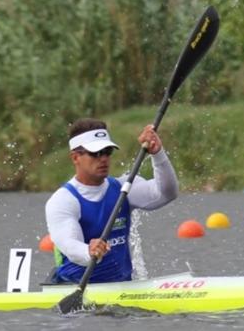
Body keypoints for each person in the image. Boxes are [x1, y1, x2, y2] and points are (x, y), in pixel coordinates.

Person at [45, 118, 178, 283]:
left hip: (123, 288)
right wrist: (88, 251)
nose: (103, 159)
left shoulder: (124, 187)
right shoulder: (63, 200)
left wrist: (158, 154)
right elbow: (69, 245)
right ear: (75, 157)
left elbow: (167, 193)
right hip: (75, 287)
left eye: (107, 151)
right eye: (95, 153)